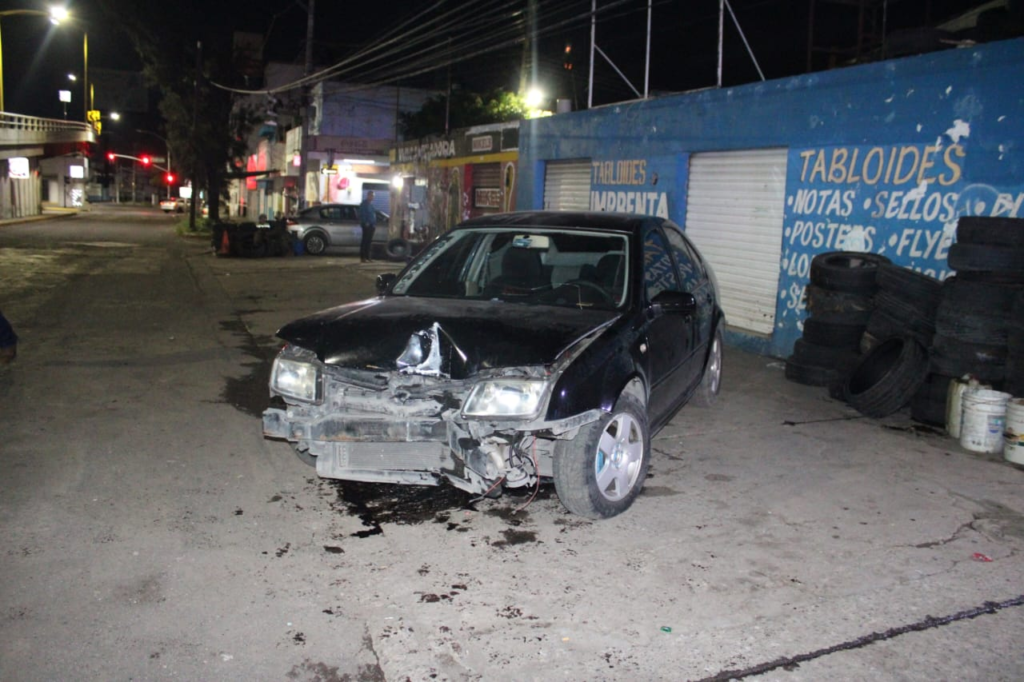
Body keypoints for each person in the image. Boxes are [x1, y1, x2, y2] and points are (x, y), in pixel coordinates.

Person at [358, 190, 377, 263]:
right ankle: (363, 257)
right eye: (371, 196)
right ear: (368, 196)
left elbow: (373, 215)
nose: (372, 197)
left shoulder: (371, 205)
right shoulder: (364, 204)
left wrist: (374, 224)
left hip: (372, 225)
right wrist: (365, 222)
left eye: (373, 196)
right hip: (367, 225)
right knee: (365, 241)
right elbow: (362, 214)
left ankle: (368, 257)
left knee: (369, 241)